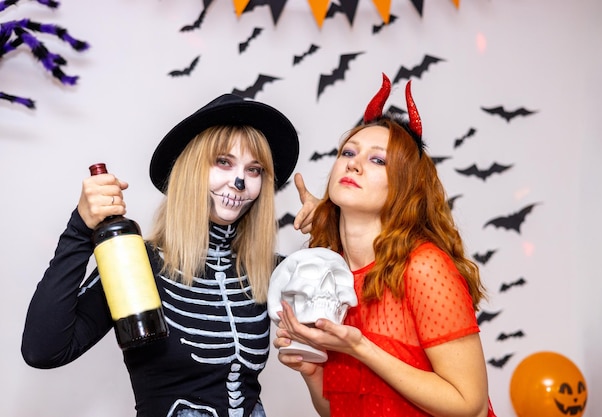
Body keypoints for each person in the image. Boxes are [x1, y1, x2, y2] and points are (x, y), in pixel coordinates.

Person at [21, 93, 315, 417]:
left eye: (255, 169)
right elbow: (43, 350)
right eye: (223, 162)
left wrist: (335, 231)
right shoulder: (137, 264)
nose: (240, 181)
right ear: (190, 170)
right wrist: (79, 230)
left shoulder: (272, 270)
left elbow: (362, 323)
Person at [273, 74, 497, 417]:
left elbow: (469, 405)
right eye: (349, 152)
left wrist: (361, 347)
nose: (354, 163)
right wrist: (313, 372)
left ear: (404, 188)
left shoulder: (423, 267)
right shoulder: (329, 275)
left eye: (378, 160)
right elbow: (342, 409)